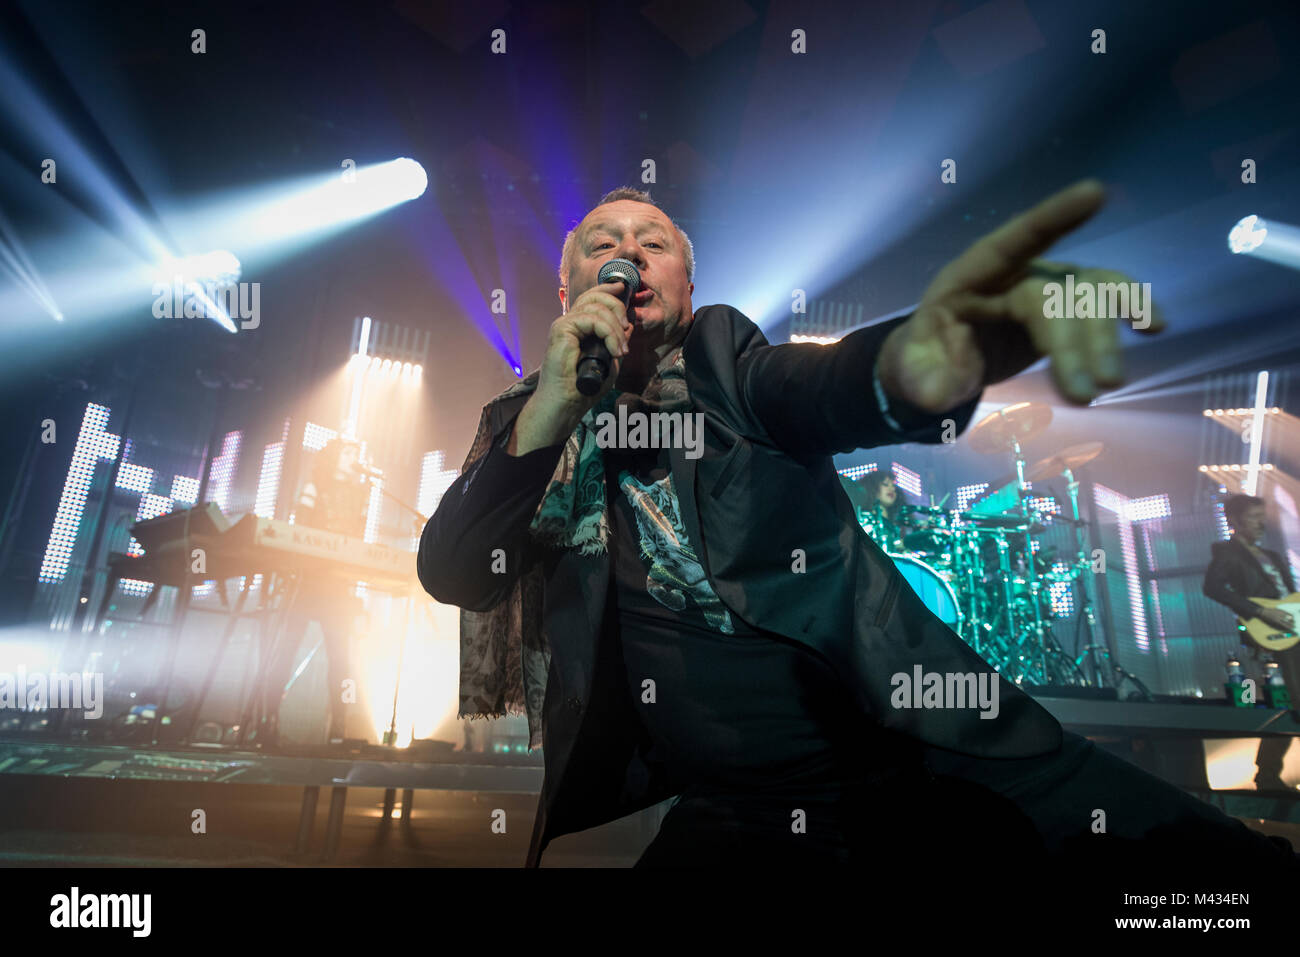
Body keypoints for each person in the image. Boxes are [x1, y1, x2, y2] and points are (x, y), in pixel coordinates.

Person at [418, 183, 1295, 883]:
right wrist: (556, 406)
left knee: (1221, 887)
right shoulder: (531, 427)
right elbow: (457, 571)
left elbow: (830, 382)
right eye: (601, 243)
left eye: (652, 242)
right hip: (745, 807)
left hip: (924, 749)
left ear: (687, 288)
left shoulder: (729, 367)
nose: (626, 255)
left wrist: (933, 353)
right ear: (566, 289)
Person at [258, 438, 368, 747]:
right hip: (306, 583)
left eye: (356, 453)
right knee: (285, 652)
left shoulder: (360, 495)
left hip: (338, 589)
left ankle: (338, 728)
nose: (354, 458)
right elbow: (300, 532)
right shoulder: (313, 488)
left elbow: (356, 541)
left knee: (341, 661)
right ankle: (268, 719)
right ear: (333, 458)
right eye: (348, 453)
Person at [1203, 493, 1299, 789]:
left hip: (1292, 628)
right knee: (1295, 699)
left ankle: (1268, 772)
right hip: (1269, 632)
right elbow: (1213, 588)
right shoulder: (1228, 553)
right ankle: (1267, 772)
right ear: (1234, 521)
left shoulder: (1273, 556)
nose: (1261, 524)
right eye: (1255, 518)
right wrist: (1261, 611)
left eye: (1262, 517)